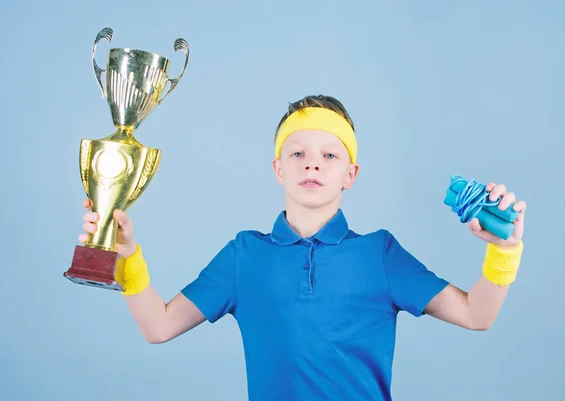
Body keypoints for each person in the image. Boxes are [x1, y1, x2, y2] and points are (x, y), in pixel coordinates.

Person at [79, 95, 526, 401]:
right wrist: (125, 255)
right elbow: (158, 327)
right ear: (278, 168)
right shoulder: (243, 256)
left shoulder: (380, 255)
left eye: (330, 155)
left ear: (350, 174)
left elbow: (477, 315)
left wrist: (504, 250)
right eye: (298, 153)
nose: (313, 161)